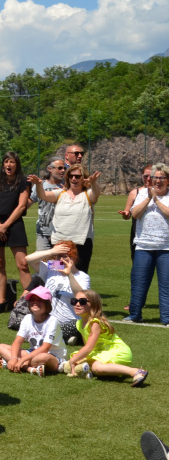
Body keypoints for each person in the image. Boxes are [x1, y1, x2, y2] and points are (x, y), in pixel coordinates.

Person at [29, 162, 102, 273]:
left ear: (84, 178)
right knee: (56, 273)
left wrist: (93, 183)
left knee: (79, 275)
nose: (74, 179)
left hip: (81, 244)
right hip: (59, 245)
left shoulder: (88, 194)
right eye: (71, 176)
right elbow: (43, 195)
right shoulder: (60, 193)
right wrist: (39, 185)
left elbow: (96, 194)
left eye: (77, 176)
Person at [66, 289, 148, 386]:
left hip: (117, 351)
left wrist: (74, 360)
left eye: (82, 301)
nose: (77, 304)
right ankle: (91, 370)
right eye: (74, 301)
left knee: (96, 367)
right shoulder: (79, 323)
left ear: (94, 305)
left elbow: (89, 348)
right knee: (76, 359)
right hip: (102, 351)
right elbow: (87, 346)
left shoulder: (95, 322)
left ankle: (135, 371)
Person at [0, 151, 31, 312]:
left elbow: (21, 206)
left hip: (14, 225)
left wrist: (6, 225)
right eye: (6, 161)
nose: (8, 165)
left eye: (12, 162)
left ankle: (28, 301)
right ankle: (1, 301)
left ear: (17, 164)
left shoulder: (23, 182)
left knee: (23, 264)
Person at [126, 163, 169, 324]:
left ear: (168, 180)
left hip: (166, 248)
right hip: (143, 246)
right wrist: (149, 198)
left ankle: (166, 318)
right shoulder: (143, 193)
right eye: (155, 177)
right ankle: (135, 315)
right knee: (139, 283)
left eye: (162, 178)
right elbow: (135, 214)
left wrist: (156, 200)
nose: (157, 181)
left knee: (166, 285)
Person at [0, 287, 66, 376]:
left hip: (52, 356)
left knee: (43, 357)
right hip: (32, 353)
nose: (35, 302)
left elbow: (45, 348)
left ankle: (14, 363)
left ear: (47, 304)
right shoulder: (27, 318)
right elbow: (17, 341)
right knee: (1, 347)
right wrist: (13, 358)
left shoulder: (52, 321)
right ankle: (28, 368)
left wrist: (21, 360)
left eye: (40, 300)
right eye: (32, 300)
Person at [30, 157, 65, 252]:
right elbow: (27, 203)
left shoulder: (67, 185)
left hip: (61, 233)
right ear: (50, 169)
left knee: (60, 260)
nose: (63, 171)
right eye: (60, 168)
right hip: (43, 233)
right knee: (43, 260)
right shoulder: (40, 185)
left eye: (64, 168)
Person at [120, 165, 152, 261]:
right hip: (138, 235)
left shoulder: (162, 192)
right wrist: (126, 214)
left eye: (151, 176)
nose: (148, 179)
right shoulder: (135, 192)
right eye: (145, 176)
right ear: (142, 176)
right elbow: (128, 213)